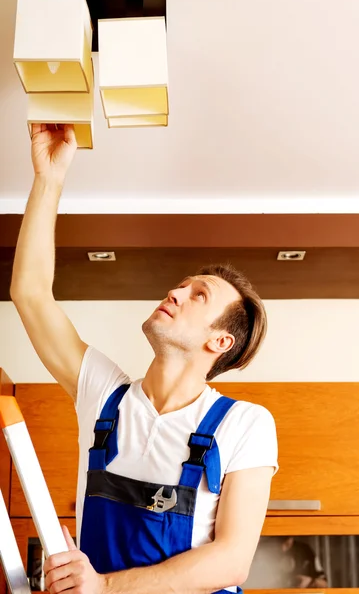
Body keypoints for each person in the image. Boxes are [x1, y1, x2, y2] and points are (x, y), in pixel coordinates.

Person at [10, 124, 279, 594]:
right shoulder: (105, 398)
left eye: (198, 295)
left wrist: (105, 587)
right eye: (181, 284)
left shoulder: (244, 424)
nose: (175, 292)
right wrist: (48, 178)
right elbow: (30, 294)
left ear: (220, 343)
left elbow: (232, 561)